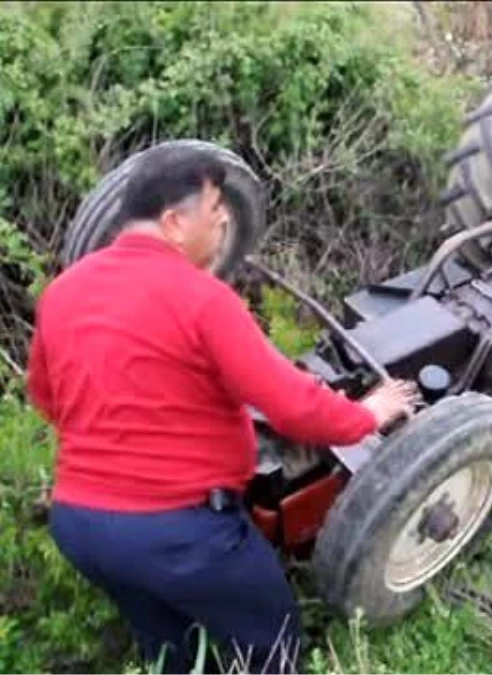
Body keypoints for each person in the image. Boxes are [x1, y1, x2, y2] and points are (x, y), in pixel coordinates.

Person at [25, 145, 420, 674]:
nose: (225, 219)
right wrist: (368, 413)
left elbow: (48, 399)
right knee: (272, 649)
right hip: (180, 537)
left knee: (173, 652)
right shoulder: (201, 299)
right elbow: (293, 407)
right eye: (215, 210)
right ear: (173, 221)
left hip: (81, 528)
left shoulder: (64, 291)